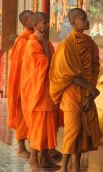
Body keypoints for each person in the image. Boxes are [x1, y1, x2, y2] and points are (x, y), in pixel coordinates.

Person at [49, 8, 101, 172]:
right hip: (71, 94)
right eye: (82, 18)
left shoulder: (90, 44)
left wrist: (90, 95)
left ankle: (76, 167)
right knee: (73, 130)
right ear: (73, 23)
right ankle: (64, 168)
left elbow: (94, 68)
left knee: (83, 131)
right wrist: (91, 88)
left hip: (87, 94)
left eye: (86, 17)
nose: (87, 21)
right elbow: (67, 75)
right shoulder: (66, 46)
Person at [21, 12, 60, 170]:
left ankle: (44, 159)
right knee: (39, 128)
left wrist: (45, 43)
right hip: (38, 93)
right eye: (44, 22)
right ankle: (34, 160)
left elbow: (55, 61)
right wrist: (44, 43)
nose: (47, 25)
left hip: (48, 91)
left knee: (47, 128)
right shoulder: (33, 43)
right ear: (35, 25)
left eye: (47, 22)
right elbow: (46, 63)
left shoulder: (45, 42)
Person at [7, 10, 34, 159]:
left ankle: (40, 147)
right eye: (32, 18)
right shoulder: (23, 41)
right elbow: (19, 66)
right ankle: (21, 147)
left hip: (31, 82)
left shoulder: (33, 38)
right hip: (23, 83)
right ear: (25, 23)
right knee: (22, 115)